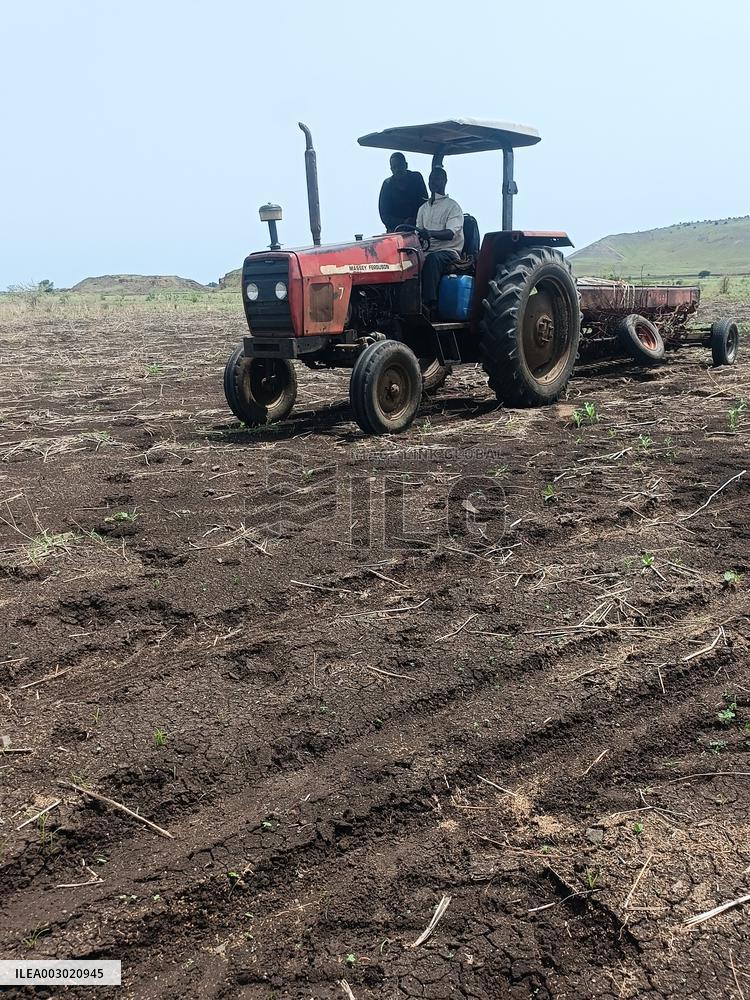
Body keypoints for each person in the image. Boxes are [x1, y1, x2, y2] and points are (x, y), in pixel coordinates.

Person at [416, 167, 464, 311]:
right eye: (431, 179)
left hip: (448, 251)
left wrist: (429, 233)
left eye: (437, 179)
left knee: (433, 259)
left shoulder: (453, 207)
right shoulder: (423, 208)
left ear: (444, 181)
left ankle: (429, 303)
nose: (433, 182)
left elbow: (450, 233)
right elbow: (418, 232)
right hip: (426, 250)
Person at [378, 152, 428, 232]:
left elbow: (425, 203)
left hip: (418, 226)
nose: (397, 170)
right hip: (396, 230)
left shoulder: (416, 178)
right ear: (391, 169)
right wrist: (403, 222)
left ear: (406, 165)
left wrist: (415, 219)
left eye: (400, 166)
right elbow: (384, 215)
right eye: (394, 167)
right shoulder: (387, 185)